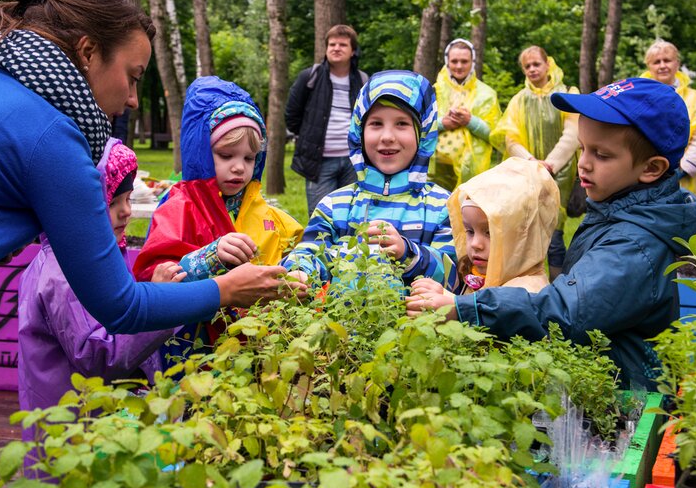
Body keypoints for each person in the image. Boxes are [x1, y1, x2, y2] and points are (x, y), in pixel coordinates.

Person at [0, 0, 292, 488]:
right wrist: (223, 289)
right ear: (87, 52)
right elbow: (121, 307)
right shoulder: (50, 134)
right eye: (134, 76)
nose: (135, 99)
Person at [406, 78, 696, 390]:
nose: (583, 164)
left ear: (651, 169)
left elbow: (565, 311)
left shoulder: (634, 246)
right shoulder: (620, 211)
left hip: (625, 399)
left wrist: (464, 308)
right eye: (583, 149)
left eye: (601, 154)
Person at [134, 76, 305, 352]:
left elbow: (296, 250)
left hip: (256, 349)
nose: (239, 167)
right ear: (201, 151)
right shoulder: (180, 207)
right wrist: (211, 257)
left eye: (249, 158)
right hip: (192, 350)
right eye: (226, 155)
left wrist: (296, 273)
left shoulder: (263, 211)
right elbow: (155, 281)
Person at [18, 138, 184, 415]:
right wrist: (159, 307)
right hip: (74, 431)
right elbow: (97, 356)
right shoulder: (64, 272)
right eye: (111, 202)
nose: (127, 211)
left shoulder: (93, 253)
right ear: (80, 206)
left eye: (129, 198)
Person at [283, 70, 456, 288]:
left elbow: (455, 278)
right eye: (375, 123)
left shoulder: (442, 207)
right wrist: (300, 272)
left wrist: (408, 254)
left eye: (402, 123)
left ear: (423, 134)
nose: (387, 137)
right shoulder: (334, 206)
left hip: (418, 321)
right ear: (359, 131)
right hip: (341, 322)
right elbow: (309, 251)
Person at [411, 157, 559, 300]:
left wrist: (452, 304)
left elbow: (493, 313)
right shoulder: (475, 274)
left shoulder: (527, 292)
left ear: (525, 237)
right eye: (470, 231)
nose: (475, 244)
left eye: (489, 233)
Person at [491, 46, 579, 277]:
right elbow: (510, 138)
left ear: (547, 64)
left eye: (536, 64)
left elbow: (573, 134)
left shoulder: (567, 93)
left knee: (556, 233)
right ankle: (531, 283)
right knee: (528, 232)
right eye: (527, 66)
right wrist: (532, 162)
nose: (532, 69)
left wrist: (550, 164)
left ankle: (559, 282)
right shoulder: (519, 100)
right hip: (528, 173)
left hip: (561, 173)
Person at [285, 24, 369, 215]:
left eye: (342, 44)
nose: (336, 48)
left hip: (353, 161)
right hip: (319, 161)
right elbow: (292, 115)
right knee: (320, 216)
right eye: (332, 44)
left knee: (351, 215)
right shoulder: (310, 76)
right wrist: (309, 137)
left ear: (353, 51)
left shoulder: (363, 80)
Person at [641, 39, 696, 198]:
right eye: (656, 62)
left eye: (667, 60)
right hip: (641, 178)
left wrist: (680, 172)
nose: (662, 65)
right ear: (649, 66)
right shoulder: (637, 96)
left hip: (681, 182)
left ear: (677, 63)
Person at [431, 38, 501, 191]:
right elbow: (417, 127)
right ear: (447, 62)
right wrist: (443, 123)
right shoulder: (434, 91)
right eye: (454, 61)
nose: (459, 66)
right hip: (435, 170)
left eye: (464, 61)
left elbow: (495, 135)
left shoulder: (486, 94)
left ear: (472, 62)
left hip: (471, 170)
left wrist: (470, 121)